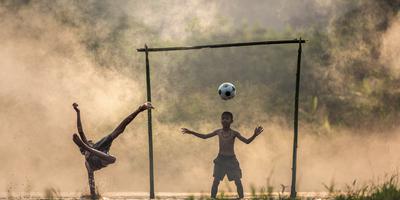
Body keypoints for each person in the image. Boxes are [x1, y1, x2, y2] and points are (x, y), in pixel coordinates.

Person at [72, 102, 154, 199]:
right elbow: (80, 130)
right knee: (111, 157)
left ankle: (88, 149)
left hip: (99, 155)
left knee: (112, 154)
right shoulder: (90, 154)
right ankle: (87, 149)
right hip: (95, 158)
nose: (90, 140)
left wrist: (139, 110)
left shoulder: (100, 144)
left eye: (89, 142)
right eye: (88, 143)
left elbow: (121, 128)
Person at [181, 111, 263, 199]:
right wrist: (191, 132)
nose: (224, 120)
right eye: (223, 118)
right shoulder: (218, 132)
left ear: (231, 121)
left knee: (238, 181)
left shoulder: (235, 133)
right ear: (221, 120)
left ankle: (241, 198)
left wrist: (254, 135)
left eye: (227, 118)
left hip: (231, 160)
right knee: (216, 181)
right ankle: (212, 198)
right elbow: (205, 136)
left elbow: (247, 141)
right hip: (220, 160)